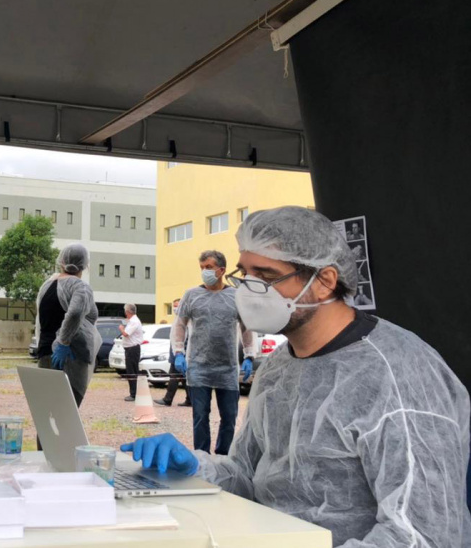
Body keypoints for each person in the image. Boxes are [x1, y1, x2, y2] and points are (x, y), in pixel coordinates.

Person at [121, 206, 471, 547]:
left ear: (324, 282)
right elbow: (247, 475)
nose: (250, 289)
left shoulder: (398, 374)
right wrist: (194, 467)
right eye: (246, 274)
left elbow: (425, 534)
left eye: (268, 276)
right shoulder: (277, 369)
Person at [169, 250, 255, 455]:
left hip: (227, 368)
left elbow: (247, 327)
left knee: (229, 417)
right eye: (202, 268)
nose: (204, 272)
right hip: (199, 365)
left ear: (221, 270)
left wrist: (250, 354)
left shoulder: (235, 296)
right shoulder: (191, 295)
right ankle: (201, 457)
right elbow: (180, 325)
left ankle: (223, 456)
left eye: (208, 267)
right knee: (200, 416)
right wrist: (179, 352)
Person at [34, 243, 101, 408]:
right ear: (85, 265)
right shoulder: (79, 286)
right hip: (69, 356)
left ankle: (43, 436)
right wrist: (63, 343)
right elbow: (76, 312)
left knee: (48, 411)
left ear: (61, 261)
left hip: (45, 352)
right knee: (66, 412)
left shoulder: (47, 285)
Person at [119, 303, 144, 401]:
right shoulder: (132, 320)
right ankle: (134, 392)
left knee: (132, 371)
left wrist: (121, 328)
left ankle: (134, 394)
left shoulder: (134, 321)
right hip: (130, 348)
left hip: (132, 349)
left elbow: (126, 333)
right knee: (131, 371)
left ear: (127, 311)